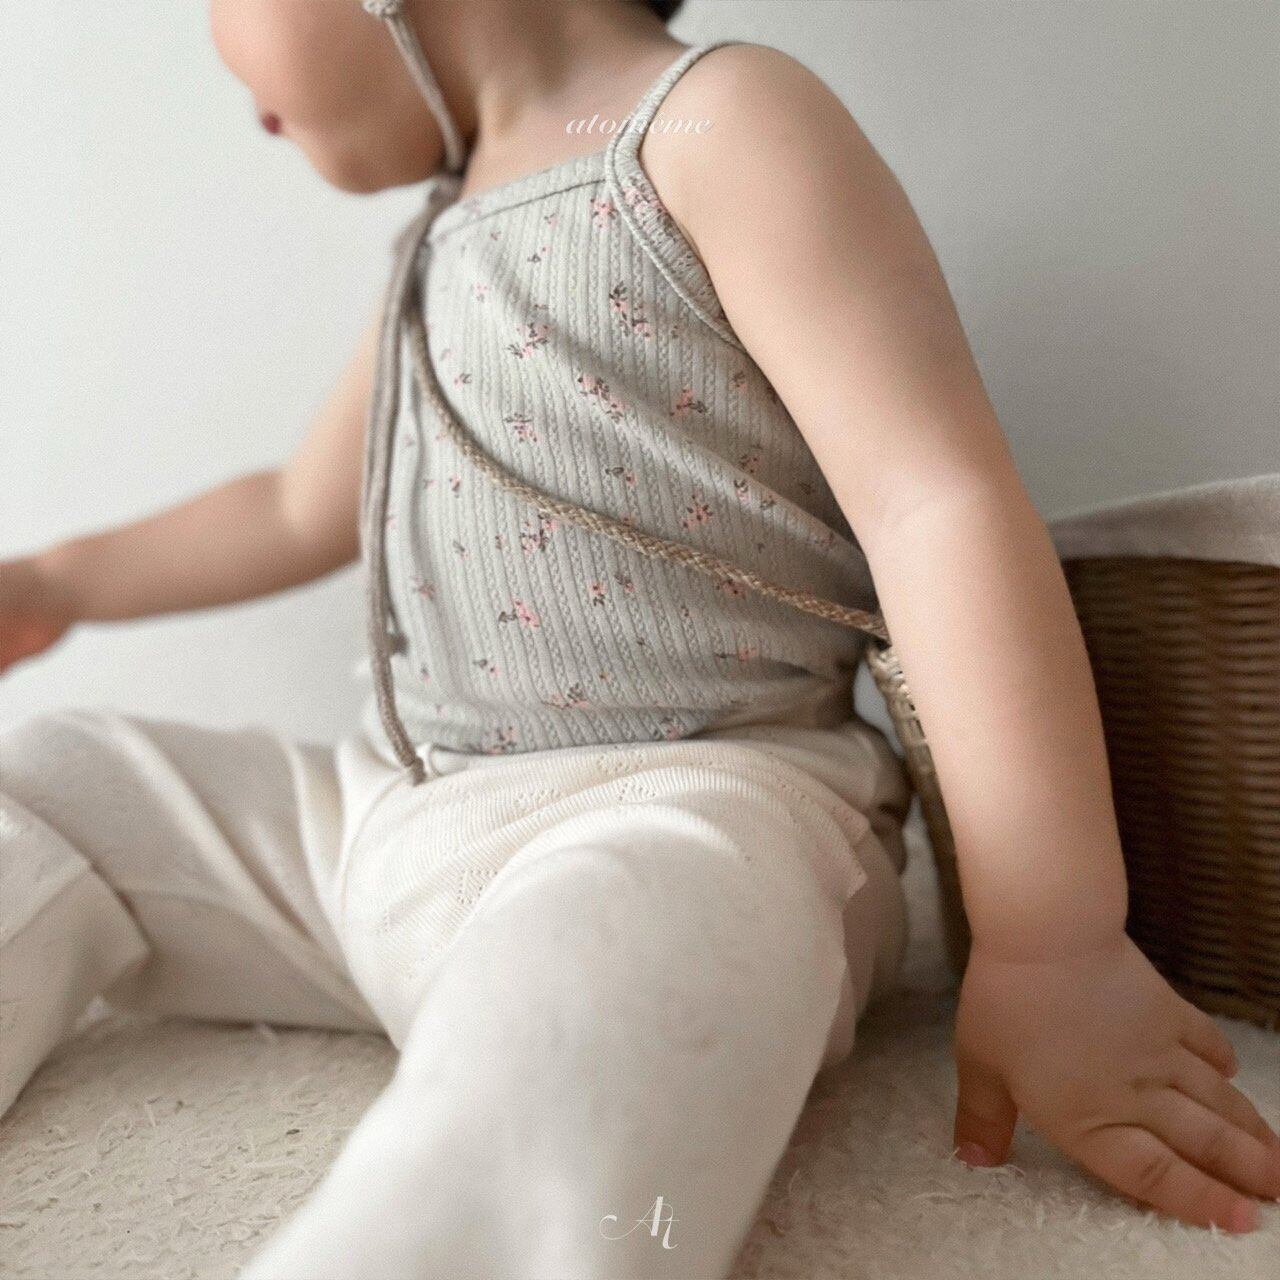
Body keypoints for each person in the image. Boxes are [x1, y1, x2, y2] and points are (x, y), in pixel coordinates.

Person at [2, 1, 1276, 1275]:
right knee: (60, 782)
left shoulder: (716, 124)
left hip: (688, 812)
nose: (215, 52)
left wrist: (1048, 942)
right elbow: (295, 504)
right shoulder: (437, 229)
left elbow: (929, 503)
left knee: (601, 981)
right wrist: (52, 580)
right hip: (391, 810)